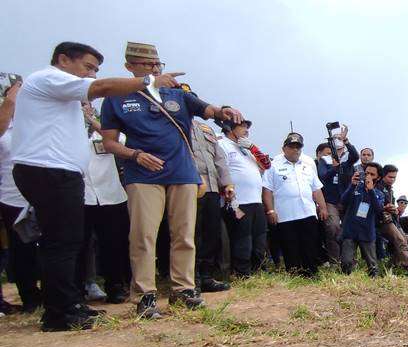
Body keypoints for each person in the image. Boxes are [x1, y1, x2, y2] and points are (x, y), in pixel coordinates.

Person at [11, 41, 188, 331]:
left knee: (69, 241)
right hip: (49, 171)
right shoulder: (49, 78)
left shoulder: (61, 93)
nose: (92, 75)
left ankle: (69, 304)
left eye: (95, 70)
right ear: (64, 59)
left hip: (58, 173)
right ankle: (59, 313)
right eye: (88, 67)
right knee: (61, 243)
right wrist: (149, 81)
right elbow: (103, 88)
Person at [100, 42, 244, 320]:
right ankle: (145, 295)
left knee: (185, 234)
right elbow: (109, 143)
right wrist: (135, 154)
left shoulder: (176, 92)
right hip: (143, 174)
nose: (155, 70)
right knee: (143, 235)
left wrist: (225, 110)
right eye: (148, 66)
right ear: (130, 67)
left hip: (182, 172)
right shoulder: (116, 97)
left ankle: (184, 290)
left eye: (158, 65)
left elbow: (209, 109)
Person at [76, 103, 131, 304]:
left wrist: (92, 121)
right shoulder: (69, 131)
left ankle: (115, 286)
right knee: (80, 246)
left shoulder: (103, 132)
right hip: (82, 197)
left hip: (111, 195)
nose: (83, 109)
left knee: (114, 244)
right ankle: (79, 289)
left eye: (86, 105)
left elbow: (122, 142)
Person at [0, 81, 42, 314]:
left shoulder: (35, 124)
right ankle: (29, 296)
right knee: (20, 248)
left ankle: (52, 292)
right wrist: (11, 97)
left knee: (49, 246)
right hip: (12, 196)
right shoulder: (4, 127)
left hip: (43, 194)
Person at [262, 132, 328, 277]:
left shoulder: (307, 166)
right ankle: (294, 273)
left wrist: (322, 207)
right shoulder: (273, 166)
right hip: (286, 215)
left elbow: (316, 189)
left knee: (310, 244)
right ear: (284, 148)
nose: (295, 150)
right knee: (290, 246)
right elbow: (267, 190)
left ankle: (311, 272)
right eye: (292, 147)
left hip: (307, 212)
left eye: (298, 147)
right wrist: (270, 211)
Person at [188, 97, 234, 292]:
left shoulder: (206, 129)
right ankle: (191, 279)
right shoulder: (173, 126)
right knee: (192, 234)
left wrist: (227, 183)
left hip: (213, 188)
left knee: (211, 233)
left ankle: (206, 276)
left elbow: (220, 159)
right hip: (189, 186)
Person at [218, 117, 267, 278]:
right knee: (242, 240)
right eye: (242, 127)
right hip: (238, 202)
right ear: (229, 128)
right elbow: (220, 171)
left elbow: (266, 165)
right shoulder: (222, 144)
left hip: (256, 201)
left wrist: (253, 148)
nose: (246, 130)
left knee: (259, 239)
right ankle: (241, 274)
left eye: (247, 127)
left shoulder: (246, 148)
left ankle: (257, 272)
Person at [317, 126, 359, 265]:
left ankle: (349, 260)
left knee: (349, 229)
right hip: (330, 200)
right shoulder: (325, 160)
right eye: (335, 139)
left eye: (340, 139)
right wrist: (334, 167)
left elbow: (355, 156)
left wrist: (346, 140)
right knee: (333, 227)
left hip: (346, 200)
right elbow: (322, 176)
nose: (338, 142)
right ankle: (334, 261)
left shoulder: (348, 158)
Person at [375, 165, 408, 276]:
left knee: (403, 241)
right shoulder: (377, 187)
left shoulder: (389, 189)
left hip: (392, 220)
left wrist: (395, 211)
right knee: (400, 240)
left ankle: (391, 267)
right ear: (383, 175)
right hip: (382, 221)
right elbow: (376, 205)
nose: (392, 180)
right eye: (390, 177)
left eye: (394, 177)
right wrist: (387, 208)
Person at [339, 162, 383, 277]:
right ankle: (347, 281)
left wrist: (371, 190)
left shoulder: (379, 193)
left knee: (372, 266)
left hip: (367, 232)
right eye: (366, 173)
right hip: (350, 231)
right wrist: (352, 185)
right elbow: (343, 201)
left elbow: (379, 210)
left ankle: (374, 285)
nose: (368, 176)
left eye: (372, 174)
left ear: (378, 178)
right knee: (346, 262)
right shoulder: (355, 188)